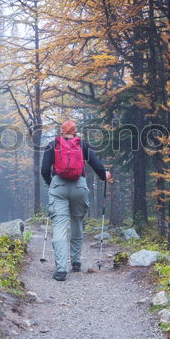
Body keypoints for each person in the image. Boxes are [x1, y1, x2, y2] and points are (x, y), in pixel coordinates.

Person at [40, 120, 111, 281]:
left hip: (58, 185)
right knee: (77, 222)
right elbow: (97, 165)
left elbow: (44, 169)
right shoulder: (82, 145)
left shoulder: (52, 145)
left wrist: (52, 184)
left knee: (59, 225)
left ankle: (61, 269)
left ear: (62, 131)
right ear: (75, 131)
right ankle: (76, 262)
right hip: (79, 186)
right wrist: (104, 176)